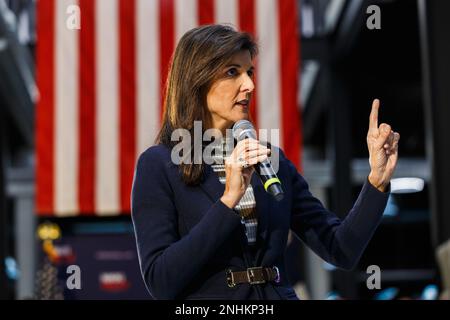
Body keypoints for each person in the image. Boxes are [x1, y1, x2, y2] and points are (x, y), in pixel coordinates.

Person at [131, 24, 400, 300]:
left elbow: (341, 248)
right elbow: (160, 281)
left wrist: (376, 180)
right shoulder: (159, 164)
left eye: (250, 72)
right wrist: (228, 201)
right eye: (232, 72)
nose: (249, 85)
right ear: (197, 79)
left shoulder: (272, 160)